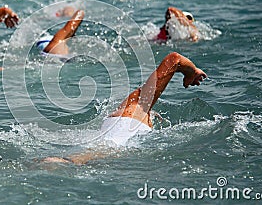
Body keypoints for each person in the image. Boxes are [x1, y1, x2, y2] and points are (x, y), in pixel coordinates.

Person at [43, 52, 207, 164]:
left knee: (96, 151)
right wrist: (193, 73)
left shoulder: (132, 105)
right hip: (117, 140)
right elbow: (174, 59)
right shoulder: (140, 105)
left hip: (109, 133)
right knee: (85, 157)